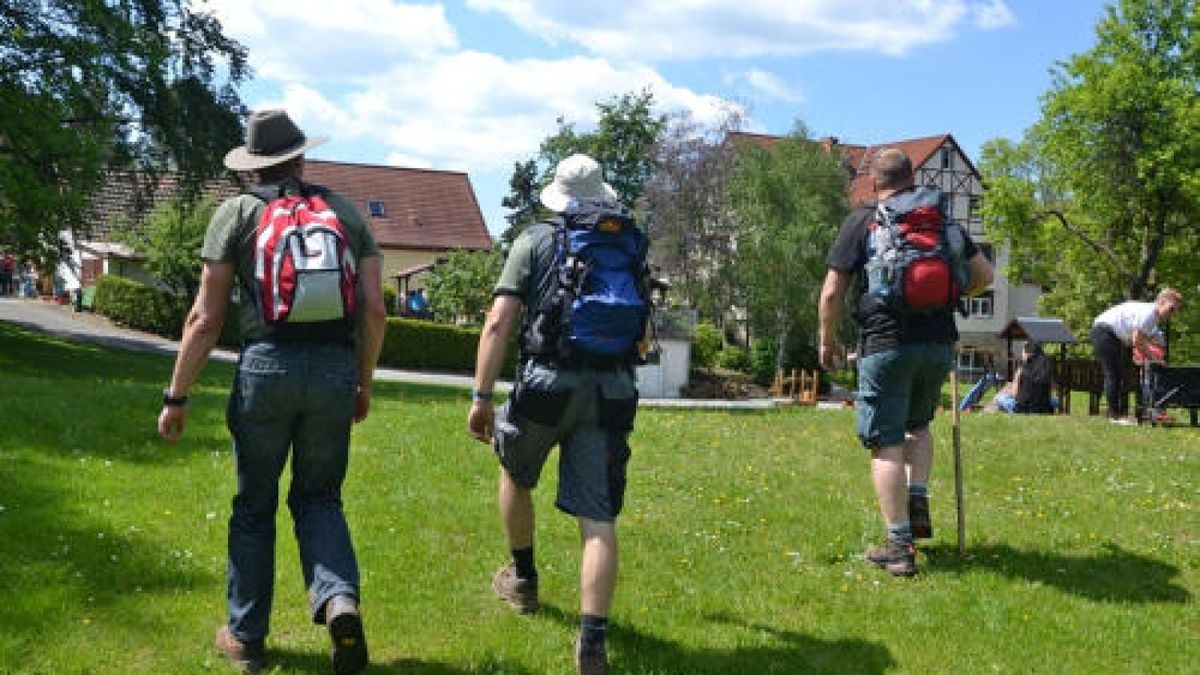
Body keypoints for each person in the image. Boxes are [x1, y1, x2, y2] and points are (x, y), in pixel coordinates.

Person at [156, 110, 387, 674]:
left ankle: (245, 637)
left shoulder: (236, 213)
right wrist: (362, 381)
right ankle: (339, 601)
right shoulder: (346, 212)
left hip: (266, 369)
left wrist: (176, 395)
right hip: (334, 369)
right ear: (302, 157)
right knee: (320, 498)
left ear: (251, 167)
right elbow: (376, 311)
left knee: (254, 505)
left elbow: (204, 318)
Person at [467, 154, 642, 674]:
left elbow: (499, 321)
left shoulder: (537, 240)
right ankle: (592, 642)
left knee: (515, 473)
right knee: (598, 520)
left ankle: (522, 581)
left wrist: (480, 398)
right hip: (611, 388)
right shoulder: (629, 240)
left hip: (547, 382)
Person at [818, 148, 994, 577]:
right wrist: (951, 297)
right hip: (937, 344)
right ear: (912, 178)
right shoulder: (942, 219)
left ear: (875, 182)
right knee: (919, 426)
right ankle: (917, 498)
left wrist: (826, 341)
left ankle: (898, 545)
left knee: (886, 442)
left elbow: (832, 291)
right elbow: (985, 276)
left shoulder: (864, 220)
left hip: (886, 343)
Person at [1090, 289, 1182, 424]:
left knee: (1118, 374)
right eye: (1171, 308)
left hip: (1108, 333)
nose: (1172, 314)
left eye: (1176, 311)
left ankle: (1118, 413)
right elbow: (1137, 341)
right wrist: (1154, 359)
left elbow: (1142, 339)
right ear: (1161, 302)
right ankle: (1114, 416)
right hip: (1104, 332)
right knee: (1113, 374)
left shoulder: (1151, 315)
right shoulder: (1150, 313)